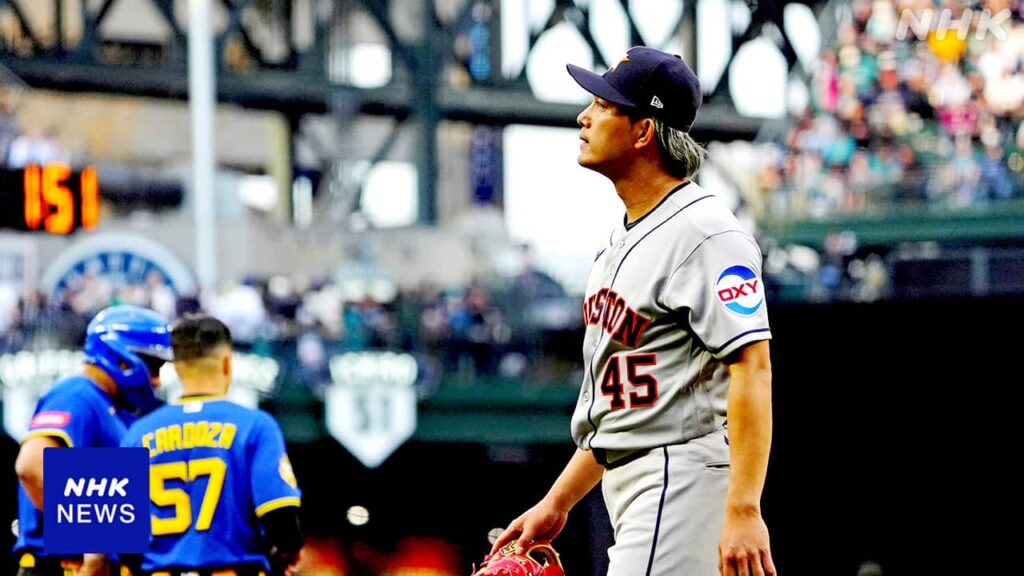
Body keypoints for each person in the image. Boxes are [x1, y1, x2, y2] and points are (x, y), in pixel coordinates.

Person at [492, 47, 778, 576]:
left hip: (680, 472)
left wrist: (744, 508)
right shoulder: (617, 245)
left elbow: (752, 367)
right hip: (640, 481)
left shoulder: (705, 232)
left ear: (644, 131)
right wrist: (557, 502)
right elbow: (623, 415)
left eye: (603, 106)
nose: (584, 117)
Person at [120, 314, 303, 576]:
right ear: (227, 363)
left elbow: (123, 545)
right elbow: (282, 522)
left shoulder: (137, 433)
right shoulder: (255, 425)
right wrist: (283, 557)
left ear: (177, 368)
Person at [14, 304, 173, 576]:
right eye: (154, 366)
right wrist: (93, 544)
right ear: (122, 359)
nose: (157, 381)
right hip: (64, 566)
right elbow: (31, 466)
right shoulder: (77, 394)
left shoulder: (111, 406)